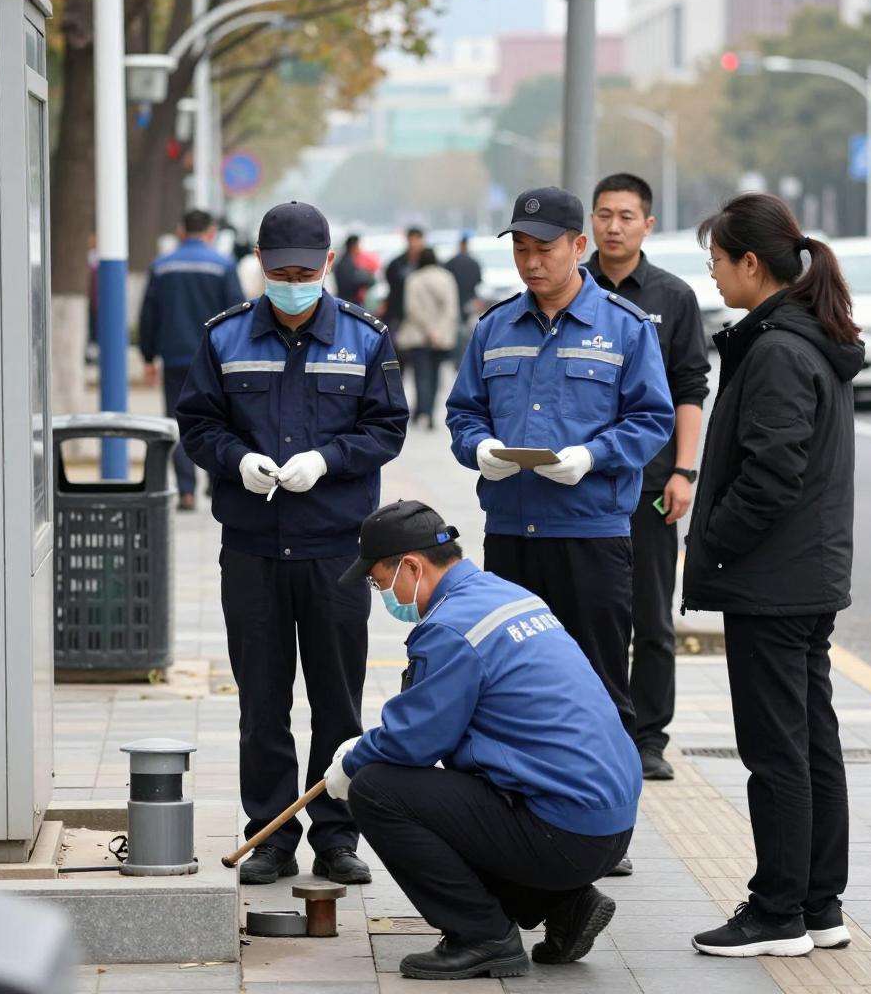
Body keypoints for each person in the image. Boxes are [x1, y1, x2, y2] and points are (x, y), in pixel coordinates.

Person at [176, 200, 409, 887]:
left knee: (338, 701)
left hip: (336, 550)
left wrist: (328, 460)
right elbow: (198, 423)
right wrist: (234, 459)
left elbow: (387, 427)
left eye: (305, 270)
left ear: (330, 264)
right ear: (259, 264)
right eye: (279, 271)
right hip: (251, 547)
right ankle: (271, 835)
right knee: (261, 702)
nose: (292, 282)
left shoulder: (366, 338)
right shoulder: (224, 337)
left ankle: (337, 837)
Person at [324, 500, 641, 981]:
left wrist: (351, 761)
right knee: (457, 792)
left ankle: (482, 937)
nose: (381, 593)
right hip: (608, 824)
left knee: (378, 789)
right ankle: (565, 904)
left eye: (378, 580)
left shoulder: (451, 628)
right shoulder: (505, 594)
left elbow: (413, 742)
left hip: (567, 829)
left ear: (411, 566)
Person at [684, 193, 863, 957]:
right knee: (810, 740)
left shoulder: (781, 351)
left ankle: (777, 911)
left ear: (751, 263)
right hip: (801, 575)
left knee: (776, 750)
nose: (714, 276)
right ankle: (819, 905)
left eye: (718, 262)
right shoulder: (799, 336)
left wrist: (714, 547)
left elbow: (772, 473)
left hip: (774, 580)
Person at [446, 186, 673, 743]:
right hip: (510, 534)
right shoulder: (494, 328)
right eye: (520, 249)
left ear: (578, 246)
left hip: (589, 536)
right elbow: (463, 413)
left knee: (597, 686)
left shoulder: (625, 327)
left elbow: (651, 420)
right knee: (509, 687)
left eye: (544, 248)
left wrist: (592, 456)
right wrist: (478, 449)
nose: (531, 261)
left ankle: (605, 814)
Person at [587, 173, 710, 781]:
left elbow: (691, 388)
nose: (614, 226)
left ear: (647, 225)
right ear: (589, 222)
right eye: (604, 214)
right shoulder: (567, 287)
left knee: (651, 617)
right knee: (583, 613)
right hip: (577, 484)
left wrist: (684, 470)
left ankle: (648, 737)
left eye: (626, 216)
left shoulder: (673, 296)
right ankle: (591, 727)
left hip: (652, 483)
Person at [139, 209, 245, 510]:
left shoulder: (161, 267)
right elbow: (237, 312)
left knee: (178, 420)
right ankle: (216, 482)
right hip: (216, 357)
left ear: (181, 231)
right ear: (211, 232)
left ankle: (186, 490)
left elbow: (150, 315)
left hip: (174, 358)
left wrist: (148, 356)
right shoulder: (223, 265)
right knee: (219, 418)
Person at [397, 248, 460, 429]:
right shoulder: (447, 278)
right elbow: (451, 309)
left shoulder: (414, 279)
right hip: (441, 339)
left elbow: (412, 309)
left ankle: (422, 411)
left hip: (419, 337)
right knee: (435, 377)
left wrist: (429, 330)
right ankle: (430, 414)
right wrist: (439, 332)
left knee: (420, 377)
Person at [445, 232, 484, 367]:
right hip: (469, 301)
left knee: (457, 332)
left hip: (454, 300)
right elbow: (478, 281)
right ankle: (467, 360)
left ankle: (457, 360)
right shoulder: (474, 262)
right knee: (469, 332)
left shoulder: (451, 262)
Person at [382, 225, 425, 337]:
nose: (414, 244)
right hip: (400, 313)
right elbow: (392, 287)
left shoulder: (428, 263)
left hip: (423, 314)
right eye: (412, 240)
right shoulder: (397, 264)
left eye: (417, 240)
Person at [334, 234, 376, 304]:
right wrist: (370, 278)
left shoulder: (344, 260)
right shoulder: (346, 263)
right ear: (354, 246)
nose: (360, 248)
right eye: (359, 245)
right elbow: (355, 280)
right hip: (348, 301)